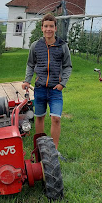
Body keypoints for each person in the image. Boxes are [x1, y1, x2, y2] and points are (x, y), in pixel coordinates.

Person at [22, 13, 72, 153]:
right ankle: (40, 147)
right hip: (40, 89)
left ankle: (54, 150)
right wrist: (27, 80)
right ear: (42, 28)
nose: (48, 29)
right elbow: (30, 64)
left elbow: (68, 66)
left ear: (55, 28)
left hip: (56, 89)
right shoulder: (35, 46)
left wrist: (63, 83)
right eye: (46, 26)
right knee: (39, 117)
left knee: (56, 118)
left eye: (51, 26)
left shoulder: (62, 46)